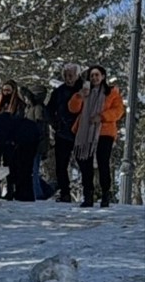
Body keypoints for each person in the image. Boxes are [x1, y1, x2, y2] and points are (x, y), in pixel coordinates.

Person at [67, 65, 125, 208]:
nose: (94, 78)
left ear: (103, 76)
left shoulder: (112, 93)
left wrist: (102, 116)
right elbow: (73, 108)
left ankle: (105, 194)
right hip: (85, 131)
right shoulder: (85, 91)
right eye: (92, 75)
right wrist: (79, 96)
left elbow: (118, 111)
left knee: (103, 162)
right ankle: (88, 195)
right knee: (84, 162)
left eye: (97, 75)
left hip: (104, 131)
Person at [45, 63, 82, 202]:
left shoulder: (84, 90)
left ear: (77, 75)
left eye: (71, 75)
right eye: (66, 75)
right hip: (62, 133)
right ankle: (65, 192)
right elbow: (49, 110)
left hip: (80, 134)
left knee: (84, 164)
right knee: (61, 165)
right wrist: (55, 124)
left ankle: (89, 193)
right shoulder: (59, 92)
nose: (68, 78)